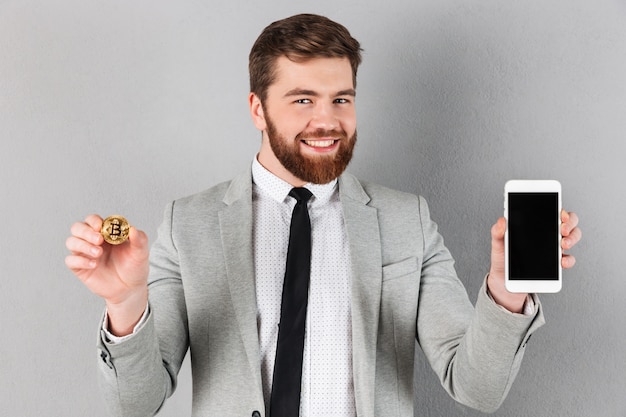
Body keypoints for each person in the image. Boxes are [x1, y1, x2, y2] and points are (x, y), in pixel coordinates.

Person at [65, 13, 581, 417]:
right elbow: (137, 402)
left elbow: (476, 388)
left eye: (341, 98)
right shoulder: (189, 224)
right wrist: (127, 301)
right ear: (257, 109)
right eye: (302, 99)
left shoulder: (407, 222)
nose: (327, 120)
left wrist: (506, 289)